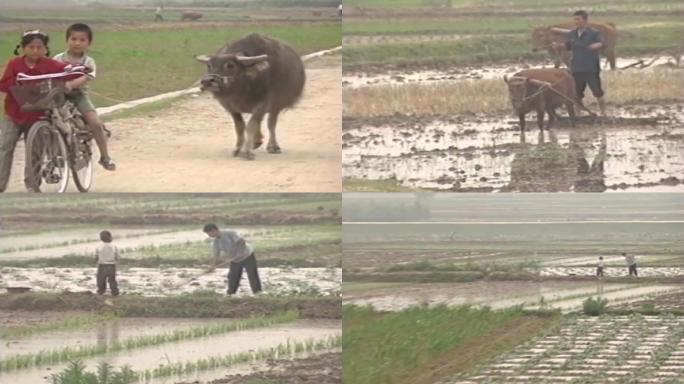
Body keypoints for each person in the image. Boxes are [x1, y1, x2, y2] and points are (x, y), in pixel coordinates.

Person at [0, 30, 77, 192]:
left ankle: (32, 184)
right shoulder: (15, 64)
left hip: (38, 114)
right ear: (23, 48)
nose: (35, 51)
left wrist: (77, 68)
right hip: (14, 112)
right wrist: (19, 82)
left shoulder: (49, 64)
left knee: (35, 150)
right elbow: (4, 84)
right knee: (5, 147)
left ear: (45, 48)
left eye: (39, 47)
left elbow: (65, 70)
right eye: (31, 47)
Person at [54, 23, 116, 171]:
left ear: (88, 43)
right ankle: (54, 155)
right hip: (58, 95)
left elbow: (86, 77)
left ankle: (105, 156)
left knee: (95, 123)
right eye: (73, 39)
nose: (77, 43)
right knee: (51, 121)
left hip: (79, 96)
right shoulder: (58, 59)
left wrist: (71, 84)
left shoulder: (88, 62)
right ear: (67, 40)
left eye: (82, 40)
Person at [555, 10, 607, 116]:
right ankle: (577, 113)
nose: (576, 21)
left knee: (597, 91)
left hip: (591, 67)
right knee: (576, 93)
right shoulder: (572, 33)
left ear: (585, 20)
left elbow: (601, 43)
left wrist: (595, 46)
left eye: (578, 19)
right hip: (576, 67)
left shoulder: (594, 33)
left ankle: (603, 112)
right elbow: (568, 46)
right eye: (574, 19)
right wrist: (559, 46)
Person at [203, 223, 262, 295]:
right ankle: (230, 294)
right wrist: (212, 266)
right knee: (233, 276)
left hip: (247, 256)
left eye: (209, 233)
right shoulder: (216, 242)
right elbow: (216, 255)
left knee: (252, 275)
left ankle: (258, 293)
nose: (209, 235)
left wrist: (239, 252)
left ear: (214, 230)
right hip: (235, 260)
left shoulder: (229, 233)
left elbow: (241, 241)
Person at [96, 230, 120, 296]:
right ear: (110, 237)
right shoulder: (114, 246)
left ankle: (101, 291)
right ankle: (115, 292)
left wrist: (98, 261)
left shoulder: (99, 246)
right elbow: (117, 256)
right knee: (112, 280)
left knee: (101, 280)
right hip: (111, 266)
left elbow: (97, 256)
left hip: (102, 265)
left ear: (101, 238)